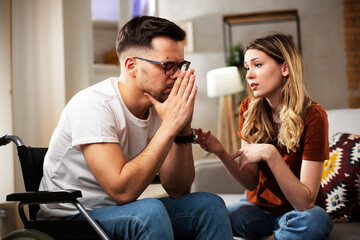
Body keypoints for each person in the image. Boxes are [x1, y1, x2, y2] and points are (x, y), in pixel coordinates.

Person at [38, 16, 233, 240]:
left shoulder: (159, 108)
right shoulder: (93, 105)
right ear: (132, 66)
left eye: (181, 66)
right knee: (149, 212)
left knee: (209, 205)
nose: (178, 75)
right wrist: (170, 126)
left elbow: (178, 189)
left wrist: (182, 126)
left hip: (119, 213)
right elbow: (123, 192)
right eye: (168, 66)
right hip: (73, 218)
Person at [194, 33, 333, 240]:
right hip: (257, 211)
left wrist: (271, 154)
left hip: (297, 213)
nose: (249, 75)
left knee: (316, 222)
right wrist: (221, 152)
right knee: (220, 216)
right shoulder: (248, 109)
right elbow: (251, 182)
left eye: (257, 65)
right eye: (247, 67)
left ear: (284, 68)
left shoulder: (313, 116)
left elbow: (304, 203)